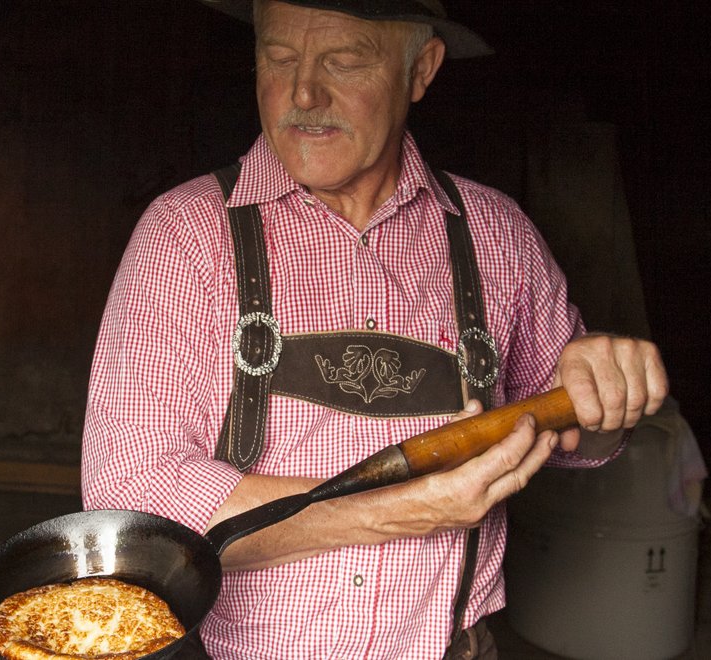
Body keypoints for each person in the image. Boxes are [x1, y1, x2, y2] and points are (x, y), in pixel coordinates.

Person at [80, 0, 668, 657]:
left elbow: (583, 440)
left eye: (344, 60)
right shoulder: (187, 235)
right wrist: (395, 512)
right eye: (278, 58)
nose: (303, 92)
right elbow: (135, 499)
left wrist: (607, 393)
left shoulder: (495, 236)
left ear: (421, 69)